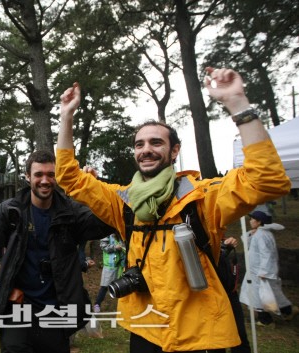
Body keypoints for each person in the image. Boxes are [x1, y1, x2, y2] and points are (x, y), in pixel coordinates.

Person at [56, 67, 291, 352]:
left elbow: (266, 180)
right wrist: (66, 117)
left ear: (174, 151)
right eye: (139, 144)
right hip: (146, 330)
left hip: (199, 334)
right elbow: (69, 178)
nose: (146, 149)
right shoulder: (122, 201)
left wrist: (237, 103)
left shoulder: (203, 197)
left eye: (156, 142)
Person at [0, 150, 114, 353]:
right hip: (17, 310)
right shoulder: (11, 211)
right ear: (28, 177)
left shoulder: (70, 212)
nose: (45, 180)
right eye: (38, 174)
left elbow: (106, 223)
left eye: (51, 174)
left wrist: (96, 191)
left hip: (56, 312)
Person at [239, 210, 299, 327]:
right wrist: (251, 233)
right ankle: (288, 310)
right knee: (271, 294)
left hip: (260, 272)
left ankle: (266, 320)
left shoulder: (262, 235)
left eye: (252, 219)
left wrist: (264, 271)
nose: (250, 221)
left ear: (259, 221)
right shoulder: (260, 233)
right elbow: (249, 244)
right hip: (256, 270)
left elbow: (266, 254)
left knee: (259, 295)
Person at [93, 234, 125, 313]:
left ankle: (121, 307)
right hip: (109, 265)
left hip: (120, 265)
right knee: (104, 286)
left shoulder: (121, 233)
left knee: (120, 286)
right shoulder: (107, 233)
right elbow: (103, 246)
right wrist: (115, 247)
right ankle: (97, 304)